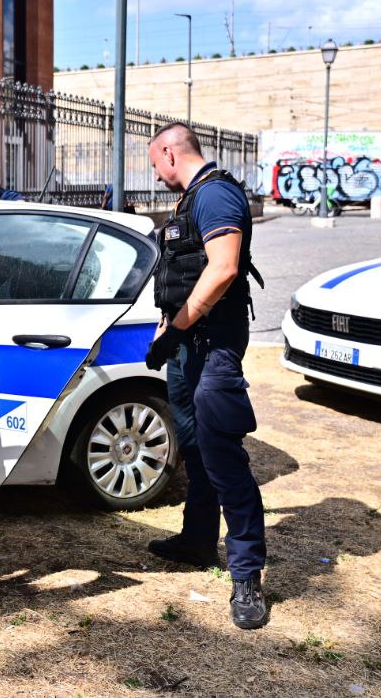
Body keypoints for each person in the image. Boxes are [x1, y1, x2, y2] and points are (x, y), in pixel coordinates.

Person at [142, 122, 269, 630]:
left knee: (223, 457)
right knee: (195, 450)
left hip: (212, 347)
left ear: (171, 153)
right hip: (187, 348)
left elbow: (222, 269)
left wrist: (177, 329)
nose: (156, 175)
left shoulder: (215, 195)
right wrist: (165, 333)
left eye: (155, 164)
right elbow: (181, 274)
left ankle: (247, 576)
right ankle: (197, 540)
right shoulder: (190, 200)